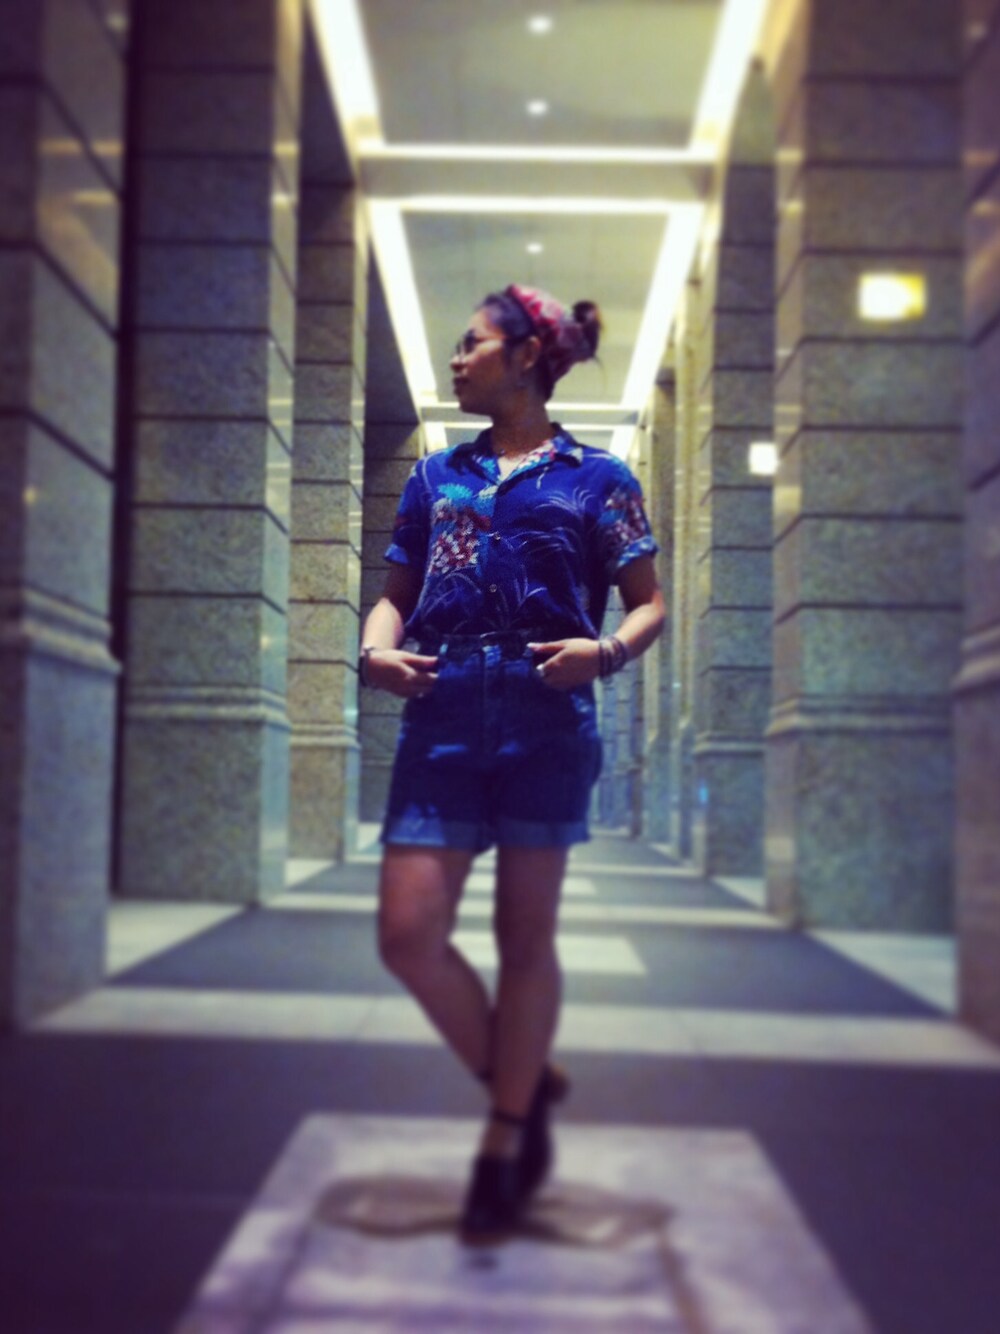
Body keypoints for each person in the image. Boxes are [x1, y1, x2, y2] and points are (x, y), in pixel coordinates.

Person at [358, 283, 665, 1242]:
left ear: (527, 356)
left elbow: (650, 603)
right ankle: (520, 1084)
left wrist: (604, 655)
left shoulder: (599, 477)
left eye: (473, 343)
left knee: (524, 939)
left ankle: (503, 1145)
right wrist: (372, 650)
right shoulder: (435, 475)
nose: (458, 359)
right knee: (408, 935)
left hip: (547, 713)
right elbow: (396, 592)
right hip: (442, 708)